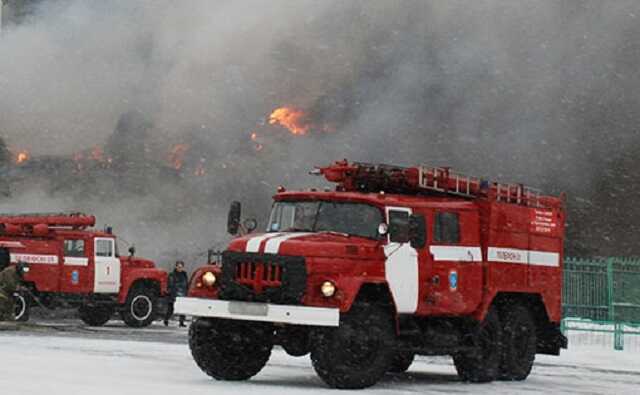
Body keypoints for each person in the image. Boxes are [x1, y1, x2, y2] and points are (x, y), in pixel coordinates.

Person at [165, 261, 189, 327]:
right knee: (171, 308)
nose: (180, 268)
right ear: (176, 267)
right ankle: (166, 320)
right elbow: (171, 284)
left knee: (183, 308)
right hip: (174, 294)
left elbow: (186, 284)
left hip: (182, 294)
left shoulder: (184, 274)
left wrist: (185, 291)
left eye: (181, 267)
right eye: (178, 267)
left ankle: (181, 322)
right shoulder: (172, 275)